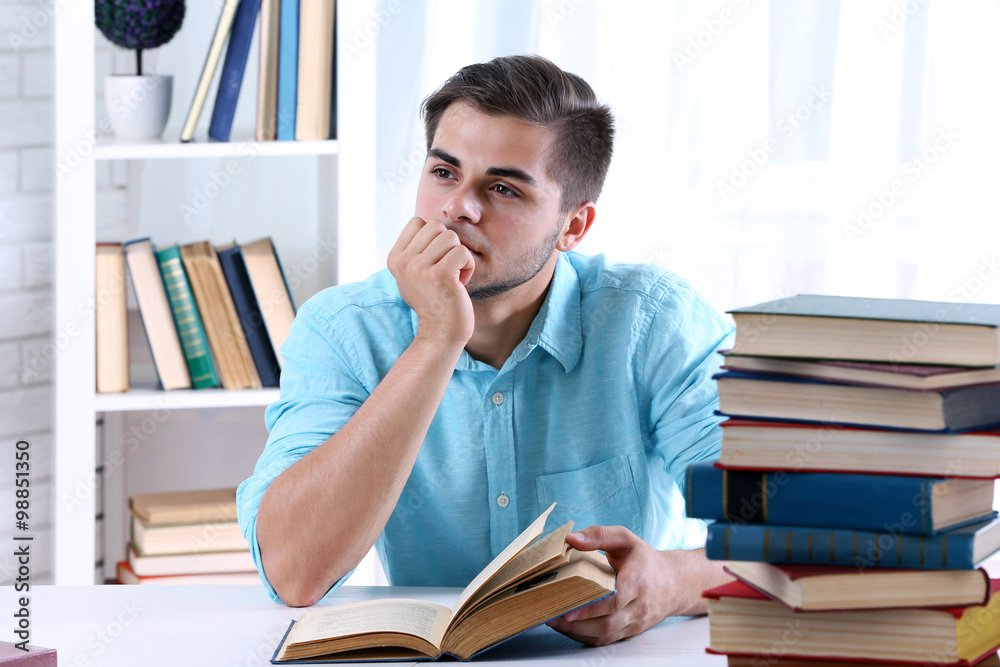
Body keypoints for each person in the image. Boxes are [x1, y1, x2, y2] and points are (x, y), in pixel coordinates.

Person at [237, 54, 733, 646]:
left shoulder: (653, 322)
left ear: (573, 226)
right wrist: (437, 339)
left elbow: (805, 531)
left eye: (501, 188)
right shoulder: (343, 329)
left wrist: (680, 581)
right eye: (444, 173)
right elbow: (294, 572)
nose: (457, 209)